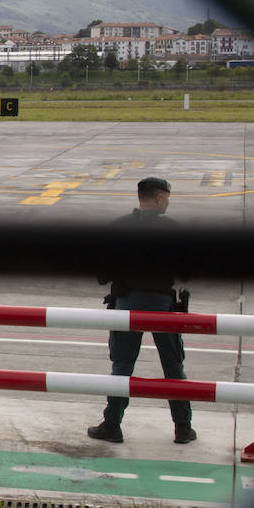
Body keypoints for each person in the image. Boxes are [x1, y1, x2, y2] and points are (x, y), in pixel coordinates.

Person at [87, 177, 196, 445]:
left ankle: (112, 424)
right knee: (173, 367)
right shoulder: (173, 229)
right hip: (162, 304)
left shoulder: (119, 227)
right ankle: (183, 427)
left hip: (128, 303)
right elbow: (187, 272)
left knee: (122, 366)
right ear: (159, 198)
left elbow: (102, 274)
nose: (168, 202)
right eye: (167, 197)